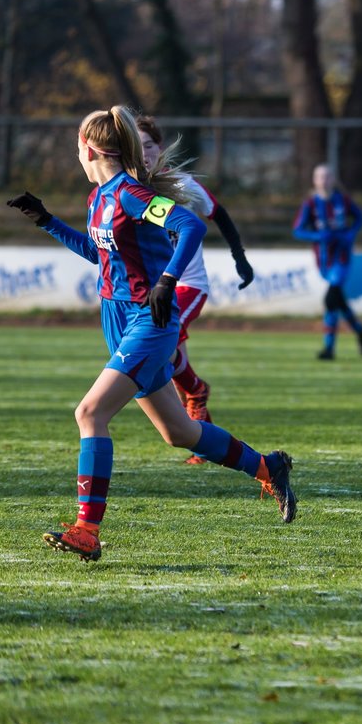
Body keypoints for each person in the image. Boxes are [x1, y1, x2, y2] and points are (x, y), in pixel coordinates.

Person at [6, 106, 297, 561]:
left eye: (75, 145)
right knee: (178, 431)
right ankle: (268, 466)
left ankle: (87, 529)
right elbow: (100, 254)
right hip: (118, 320)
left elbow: (191, 226)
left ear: (89, 147)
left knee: (89, 413)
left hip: (149, 321)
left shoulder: (130, 194)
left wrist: (166, 281)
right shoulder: (98, 196)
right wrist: (47, 221)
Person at [135, 116, 254, 463]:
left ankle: (196, 393)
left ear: (160, 148)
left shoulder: (181, 185)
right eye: (137, 146)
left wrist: (239, 258)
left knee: (164, 341)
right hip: (154, 288)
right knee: (167, 353)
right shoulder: (130, 189)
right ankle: (203, 426)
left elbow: (219, 214)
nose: (144, 153)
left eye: (149, 145)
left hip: (187, 285)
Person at [292, 163, 362, 360]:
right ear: (315, 181)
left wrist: (350, 234)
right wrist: (317, 237)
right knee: (337, 301)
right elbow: (298, 230)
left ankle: (329, 348)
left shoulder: (343, 200)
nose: (324, 181)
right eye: (320, 177)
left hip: (341, 258)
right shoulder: (310, 204)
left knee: (330, 298)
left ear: (333, 180)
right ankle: (358, 329)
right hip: (323, 260)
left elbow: (359, 218)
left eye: (327, 177)